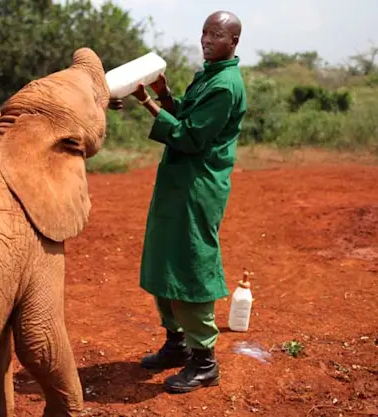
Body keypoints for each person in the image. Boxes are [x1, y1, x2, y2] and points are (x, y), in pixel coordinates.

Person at [108, 10, 247, 394]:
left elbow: (189, 137)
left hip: (197, 186)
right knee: (165, 257)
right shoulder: (210, 74)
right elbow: (185, 112)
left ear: (233, 42)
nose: (206, 39)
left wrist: (147, 102)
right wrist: (165, 95)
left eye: (216, 34)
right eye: (204, 32)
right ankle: (176, 342)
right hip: (178, 183)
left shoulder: (225, 85)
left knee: (189, 263)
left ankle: (204, 361)